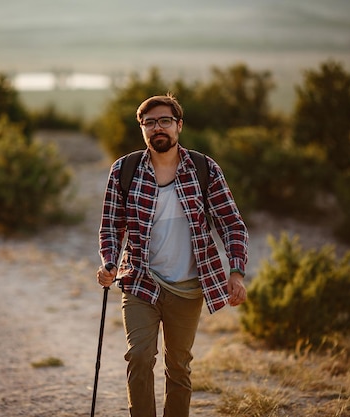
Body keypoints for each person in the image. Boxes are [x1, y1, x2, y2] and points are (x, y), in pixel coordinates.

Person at [96, 94, 248, 417]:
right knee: (138, 357)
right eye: (149, 123)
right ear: (142, 129)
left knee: (178, 366)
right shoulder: (124, 171)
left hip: (188, 286)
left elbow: (232, 224)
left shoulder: (204, 169)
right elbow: (110, 227)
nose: (157, 128)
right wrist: (109, 264)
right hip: (139, 283)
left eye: (165, 121)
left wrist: (236, 272)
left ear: (179, 126)